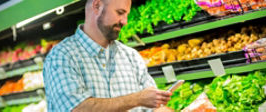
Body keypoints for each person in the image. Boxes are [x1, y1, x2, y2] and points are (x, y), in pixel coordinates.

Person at [43, 0, 172, 111]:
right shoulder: (62, 56)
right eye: (120, 13)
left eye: (126, 14)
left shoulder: (131, 57)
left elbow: (154, 105)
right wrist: (137, 99)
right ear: (97, 6)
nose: (125, 21)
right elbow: (77, 108)